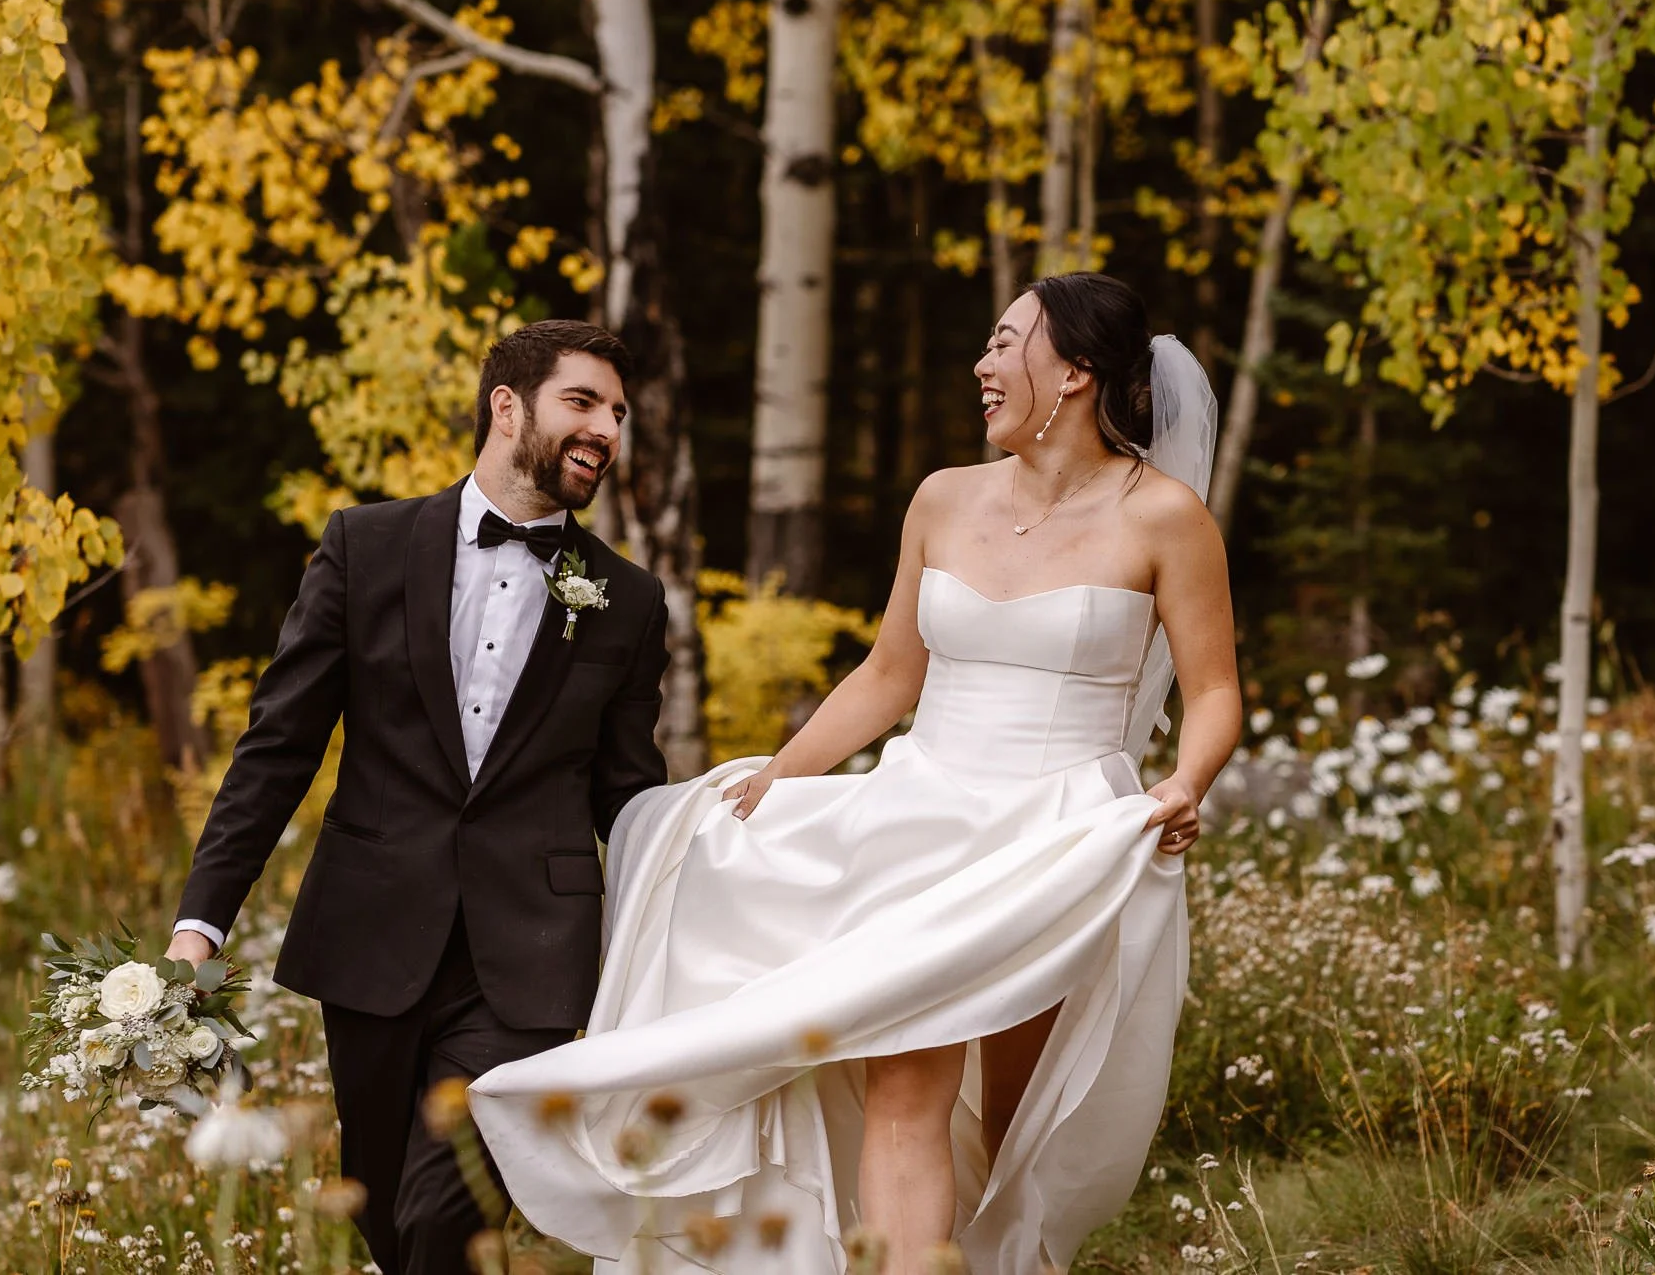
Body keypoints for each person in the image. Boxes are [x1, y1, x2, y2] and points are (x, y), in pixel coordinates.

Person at [470, 272, 1241, 1275]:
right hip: (915, 825)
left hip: (1057, 841)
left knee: (1018, 1123)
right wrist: (778, 777)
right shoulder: (942, 499)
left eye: (1006, 343)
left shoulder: (1165, 518)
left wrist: (1183, 783)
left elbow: (1213, 692)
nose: (983, 363)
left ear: (1076, 372)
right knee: (903, 1081)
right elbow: (887, 676)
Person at [163, 320, 672, 1275]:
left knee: (450, 1208)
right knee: (385, 1208)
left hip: (527, 957)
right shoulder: (365, 545)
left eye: (618, 412)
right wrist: (202, 923)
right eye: (584, 401)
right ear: (507, 405)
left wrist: (714, 874)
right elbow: (279, 746)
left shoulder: (628, 599)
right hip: (372, 934)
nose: (607, 427)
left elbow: (629, 791)